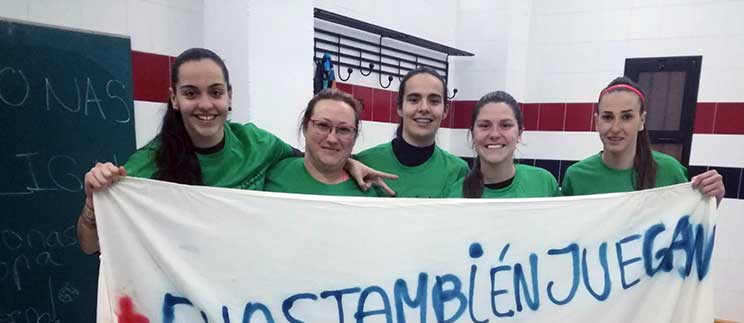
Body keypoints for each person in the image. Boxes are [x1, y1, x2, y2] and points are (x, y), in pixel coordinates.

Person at [77, 47, 391, 254]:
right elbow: (90, 246)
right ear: (174, 99)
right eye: (190, 93)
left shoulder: (258, 144)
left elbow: (314, 157)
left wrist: (348, 162)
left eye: (215, 92)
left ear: (229, 97)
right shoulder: (147, 164)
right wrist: (94, 202)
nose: (205, 104)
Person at [561, 76, 724, 201]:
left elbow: (690, 228)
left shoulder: (669, 172)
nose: (616, 128)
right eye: (608, 117)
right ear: (596, 122)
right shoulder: (576, 177)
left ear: (642, 121)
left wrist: (711, 199)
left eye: (626, 117)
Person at [354, 67, 468, 198]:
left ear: (445, 111)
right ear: (400, 108)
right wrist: (347, 163)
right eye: (414, 100)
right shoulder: (365, 163)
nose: (424, 108)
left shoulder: (458, 171)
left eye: (434, 101)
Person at [264, 89, 377, 197]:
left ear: (355, 136)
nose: (332, 139)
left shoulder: (367, 194)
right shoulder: (271, 175)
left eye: (344, 129)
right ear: (305, 127)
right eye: (322, 125)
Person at [447, 90, 559, 199]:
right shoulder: (455, 194)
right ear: (473, 133)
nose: (494, 134)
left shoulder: (544, 184)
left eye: (505, 125)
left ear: (519, 133)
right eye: (485, 126)